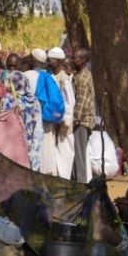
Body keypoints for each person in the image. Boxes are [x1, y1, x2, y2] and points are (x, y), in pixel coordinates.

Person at [0, 68, 43, 172]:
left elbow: (2, 125)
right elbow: (38, 127)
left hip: (12, 145)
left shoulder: (8, 100)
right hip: (29, 143)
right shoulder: (34, 100)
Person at [46, 48, 75, 178]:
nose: (48, 63)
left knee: (64, 159)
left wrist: (62, 122)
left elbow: (69, 103)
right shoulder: (52, 77)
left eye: (50, 60)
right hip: (54, 123)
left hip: (63, 127)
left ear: (58, 61)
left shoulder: (64, 79)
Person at [72, 48, 96, 183]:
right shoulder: (80, 75)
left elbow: (82, 102)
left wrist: (74, 120)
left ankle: (80, 184)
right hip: (82, 122)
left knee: (79, 155)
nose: (73, 60)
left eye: (75, 58)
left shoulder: (83, 78)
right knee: (76, 154)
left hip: (81, 123)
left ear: (83, 60)